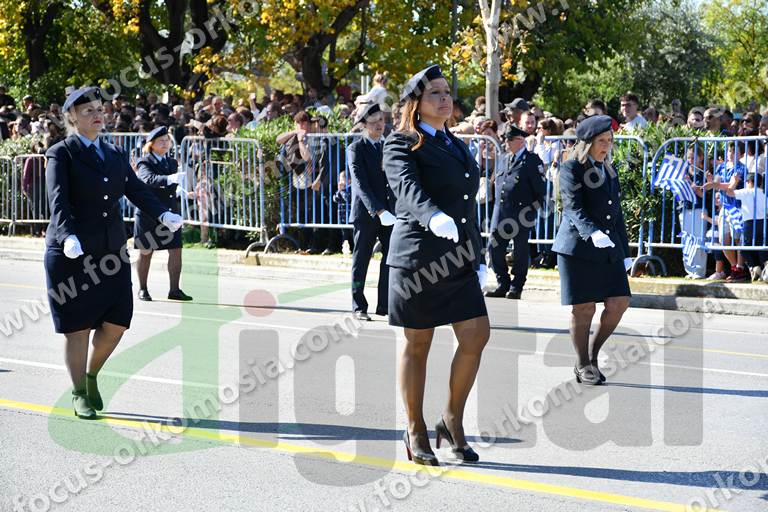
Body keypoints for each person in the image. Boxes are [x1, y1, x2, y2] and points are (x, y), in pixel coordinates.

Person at [44, 87, 183, 419]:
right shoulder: (61, 153)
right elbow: (58, 200)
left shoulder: (114, 153)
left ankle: (91, 375)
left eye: (99, 109)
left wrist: (162, 213)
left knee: (118, 322)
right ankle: (79, 392)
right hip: (73, 252)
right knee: (77, 328)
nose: (97, 115)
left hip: (111, 253)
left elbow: (135, 189)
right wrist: (67, 236)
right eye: (88, 111)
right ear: (72, 117)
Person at [383, 65, 489, 465]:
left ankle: (451, 418)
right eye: (435, 94)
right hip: (418, 258)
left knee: (476, 335)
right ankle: (415, 427)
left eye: (447, 93)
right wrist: (432, 216)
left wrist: (478, 257)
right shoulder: (401, 143)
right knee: (418, 343)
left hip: (458, 258)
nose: (445, 99)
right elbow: (407, 189)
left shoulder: (455, 144)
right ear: (416, 103)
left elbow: (466, 207)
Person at [551, 115, 631, 386]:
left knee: (619, 302)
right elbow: (572, 207)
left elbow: (616, 214)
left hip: (607, 246)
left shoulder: (609, 169)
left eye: (610, 141)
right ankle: (583, 363)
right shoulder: (571, 168)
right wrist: (592, 232)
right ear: (587, 143)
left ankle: (593, 355)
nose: (607, 146)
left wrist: (625, 250)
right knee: (583, 308)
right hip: (578, 248)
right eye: (601, 141)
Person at [485, 125, 546, 299]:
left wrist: (530, 213)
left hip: (521, 214)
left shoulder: (531, 161)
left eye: (509, 140)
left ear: (520, 141)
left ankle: (516, 286)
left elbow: (540, 191)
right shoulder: (504, 159)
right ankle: (502, 283)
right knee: (494, 248)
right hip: (501, 214)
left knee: (520, 252)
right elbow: (497, 185)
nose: (506, 143)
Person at [347, 103, 396, 321]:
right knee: (361, 261)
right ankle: (358, 306)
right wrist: (378, 210)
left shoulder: (388, 146)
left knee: (390, 258)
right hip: (367, 213)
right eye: (374, 121)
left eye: (381, 120)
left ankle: (385, 304)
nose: (379, 125)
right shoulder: (356, 148)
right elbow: (360, 184)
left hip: (389, 213)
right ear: (364, 125)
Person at [133, 126, 193, 302]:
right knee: (146, 251)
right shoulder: (144, 162)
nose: (165, 144)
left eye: (167, 140)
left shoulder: (171, 162)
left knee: (176, 250)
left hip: (169, 212)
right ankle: (143, 289)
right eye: (161, 141)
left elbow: (173, 187)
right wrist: (169, 179)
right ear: (151, 144)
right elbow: (148, 180)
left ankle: (174, 289)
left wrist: (183, 192)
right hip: (148, 213)